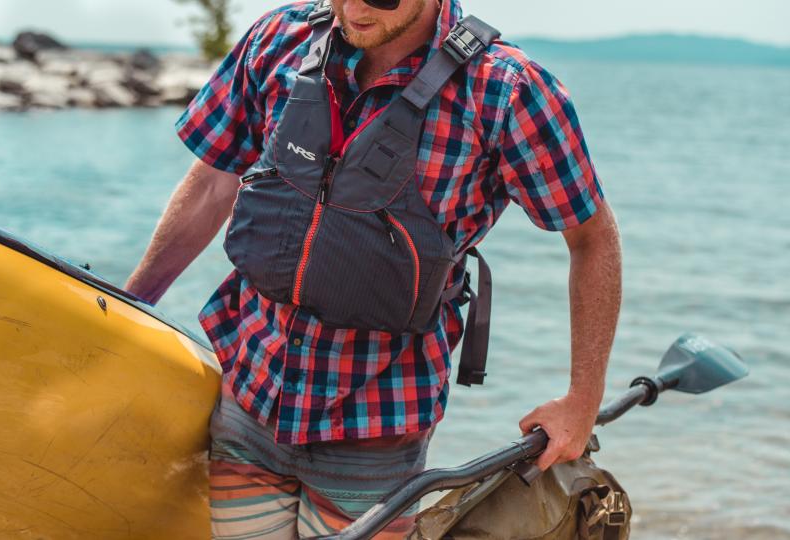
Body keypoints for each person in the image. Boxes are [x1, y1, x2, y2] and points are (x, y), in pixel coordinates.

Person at [125, 0, 622, 537]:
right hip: (249, 400)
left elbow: (592, 239)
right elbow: (212, 182)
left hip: (375, 427)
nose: (355, 7)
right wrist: (129, 308)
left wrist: (582, 401)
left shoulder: (507, 90)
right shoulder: (279, 39)